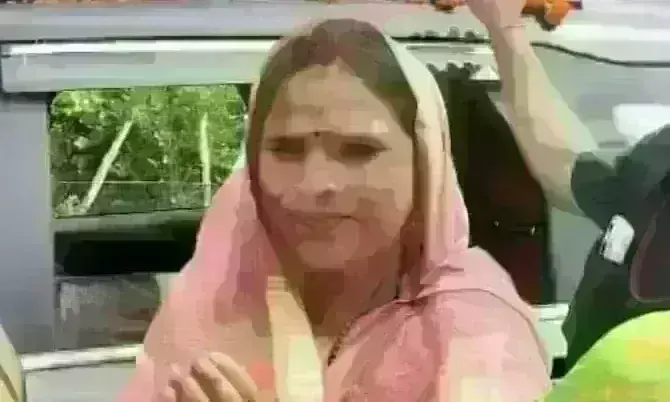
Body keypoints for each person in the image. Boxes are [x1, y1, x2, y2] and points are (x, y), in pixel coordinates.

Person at [118, 4, 554, 402]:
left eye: (360, 150)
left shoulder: (475, 331)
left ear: (424, 165)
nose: (316, 183)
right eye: (285, 149)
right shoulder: (213, 306)